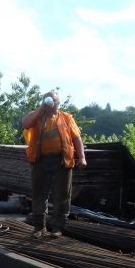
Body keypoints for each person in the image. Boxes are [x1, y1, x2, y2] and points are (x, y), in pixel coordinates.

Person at [22, 90, 87, 239]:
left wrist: (82, 157)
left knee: (62, 195)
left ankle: (57, 227)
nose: (51, 105)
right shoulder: (37, 117)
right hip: (40, 161)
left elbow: (77, 138)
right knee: (39, 195)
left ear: (58, 104)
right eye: (48, 102)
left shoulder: (66, 118)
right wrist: (41, 109)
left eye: (53, 102)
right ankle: (39, 227)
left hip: (62, 161)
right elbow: (25, 123)